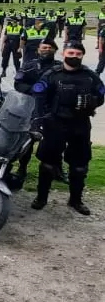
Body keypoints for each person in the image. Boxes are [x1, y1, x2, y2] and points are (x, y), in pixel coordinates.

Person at [32, 41, 105, 215]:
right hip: (55, 123)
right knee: (48, 164)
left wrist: (93, 102)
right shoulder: (52, 74)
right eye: (71, 53)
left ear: (82, 55)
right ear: (64, 53)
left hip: (80, 125)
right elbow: (39, 99)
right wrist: (37, 121)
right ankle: (41, 198)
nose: (74, 57)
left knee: (79, 166)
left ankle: (75, 200)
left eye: (78, 54)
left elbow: (101, 95)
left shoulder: (90, 76)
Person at [11, 39, 60, 189]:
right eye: (44, 47)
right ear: (38, 50)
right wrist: (34, 90)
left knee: (55, 143)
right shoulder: (28, 66)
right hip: (31, 109)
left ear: (55, 50)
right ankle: (22, 168)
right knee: (28, 141)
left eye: (50, 48)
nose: (47, 50)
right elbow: (17, 84)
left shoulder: (59, 67)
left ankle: (56, 169)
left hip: (52, 110)